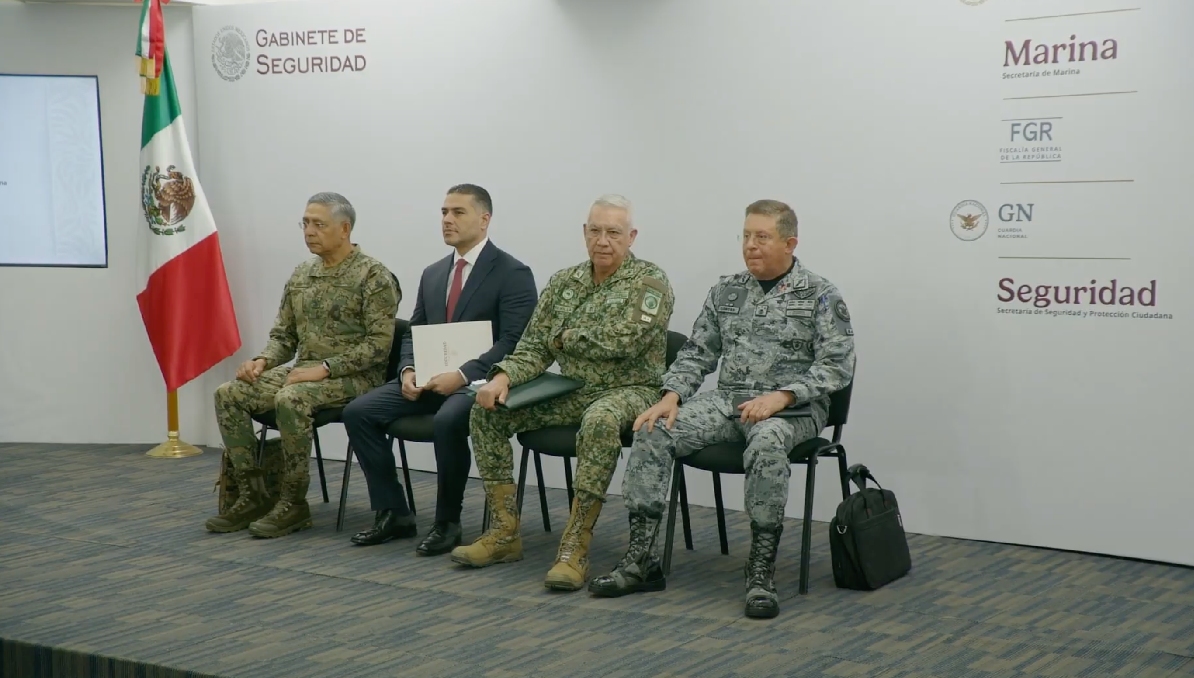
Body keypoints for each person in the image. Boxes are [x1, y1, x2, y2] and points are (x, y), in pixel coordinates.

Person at [588, 199, 856, 619]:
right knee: (653, 430)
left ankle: (760, 572)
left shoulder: (821, 294)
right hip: (729, 400)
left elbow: (837, 367)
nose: (750, 245)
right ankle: (641, 560)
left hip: (792, 409)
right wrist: (671, 396)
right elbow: (697, 352)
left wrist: (783, 396)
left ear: (790, 243)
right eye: (746, 236)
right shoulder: (726, 290)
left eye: (762, 237)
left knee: (767, 442)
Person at [451, 194, 674, 592]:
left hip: (632, 390)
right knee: (487, 411)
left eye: (613, 232)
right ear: (584, 233)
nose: (603, 240)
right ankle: (504, 533)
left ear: (631, 236)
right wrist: (502, 377)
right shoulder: (564, 281)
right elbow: (534, 346)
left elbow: (624, 341)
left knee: (600, 421)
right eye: (595, 231)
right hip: (571, 388)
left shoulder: (650, 282)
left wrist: (564, 337)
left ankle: (575, 548)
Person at [341, 184, 537, 554]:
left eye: (458, 212)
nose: (447, 220)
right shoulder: (434, 273)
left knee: (448, 421)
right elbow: (415, 332)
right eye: (444, 212)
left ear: (484, 219)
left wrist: (462, 375)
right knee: (359, 412)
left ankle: (448, 521)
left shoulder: (512, 272)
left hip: (478, 384)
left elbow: (515, 342)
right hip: (430, 380)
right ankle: (394, 512)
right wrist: (408, 371)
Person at [206, 192, 401, 538]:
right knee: (229, 393)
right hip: (305, 370)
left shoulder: (373, 276)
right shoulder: (302, 274)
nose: (309, 231)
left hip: (356, 378)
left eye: (318, 224)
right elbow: (284, 335)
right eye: (305, 223)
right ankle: (254, 494)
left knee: (291, 398)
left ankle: (293, 503)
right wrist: (263, 360)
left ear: (344, 229)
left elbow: (378, 347)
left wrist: (324, 368)